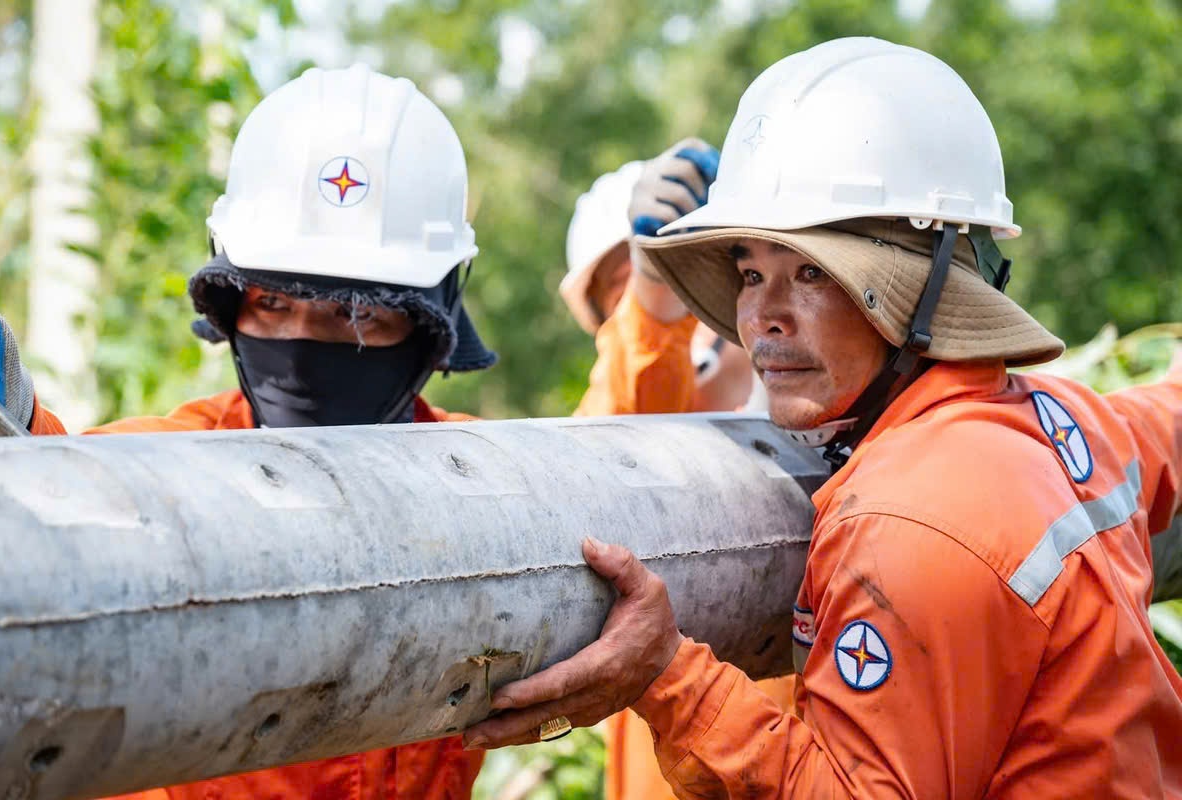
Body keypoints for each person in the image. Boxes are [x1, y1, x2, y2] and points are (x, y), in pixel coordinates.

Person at [462, 37, 1182, 798]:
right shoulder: (1064, 423)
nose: (762, 318)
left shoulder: (910, 522)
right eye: (749, 273)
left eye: (812, 273)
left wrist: (665, 675)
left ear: (922, 289)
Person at [0, 64, 494, 800]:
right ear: (230, 305)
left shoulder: (484, 487)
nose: (304, 342)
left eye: (359, 312)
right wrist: (14, 432)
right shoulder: (187, 459)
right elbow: (96, 492)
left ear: (432, 322)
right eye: (273, 301)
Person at [562, 148, 782, 800]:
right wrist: (654, 301)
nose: (672, 305)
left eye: (695, 276)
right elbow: (614, 437)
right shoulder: (594, 437)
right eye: (622, 291)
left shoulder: (826, 432)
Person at [564, 146, 759, 417]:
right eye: (623, 301)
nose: (669, 320)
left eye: (687, 285)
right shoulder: (592, 435)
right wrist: (652, 287)